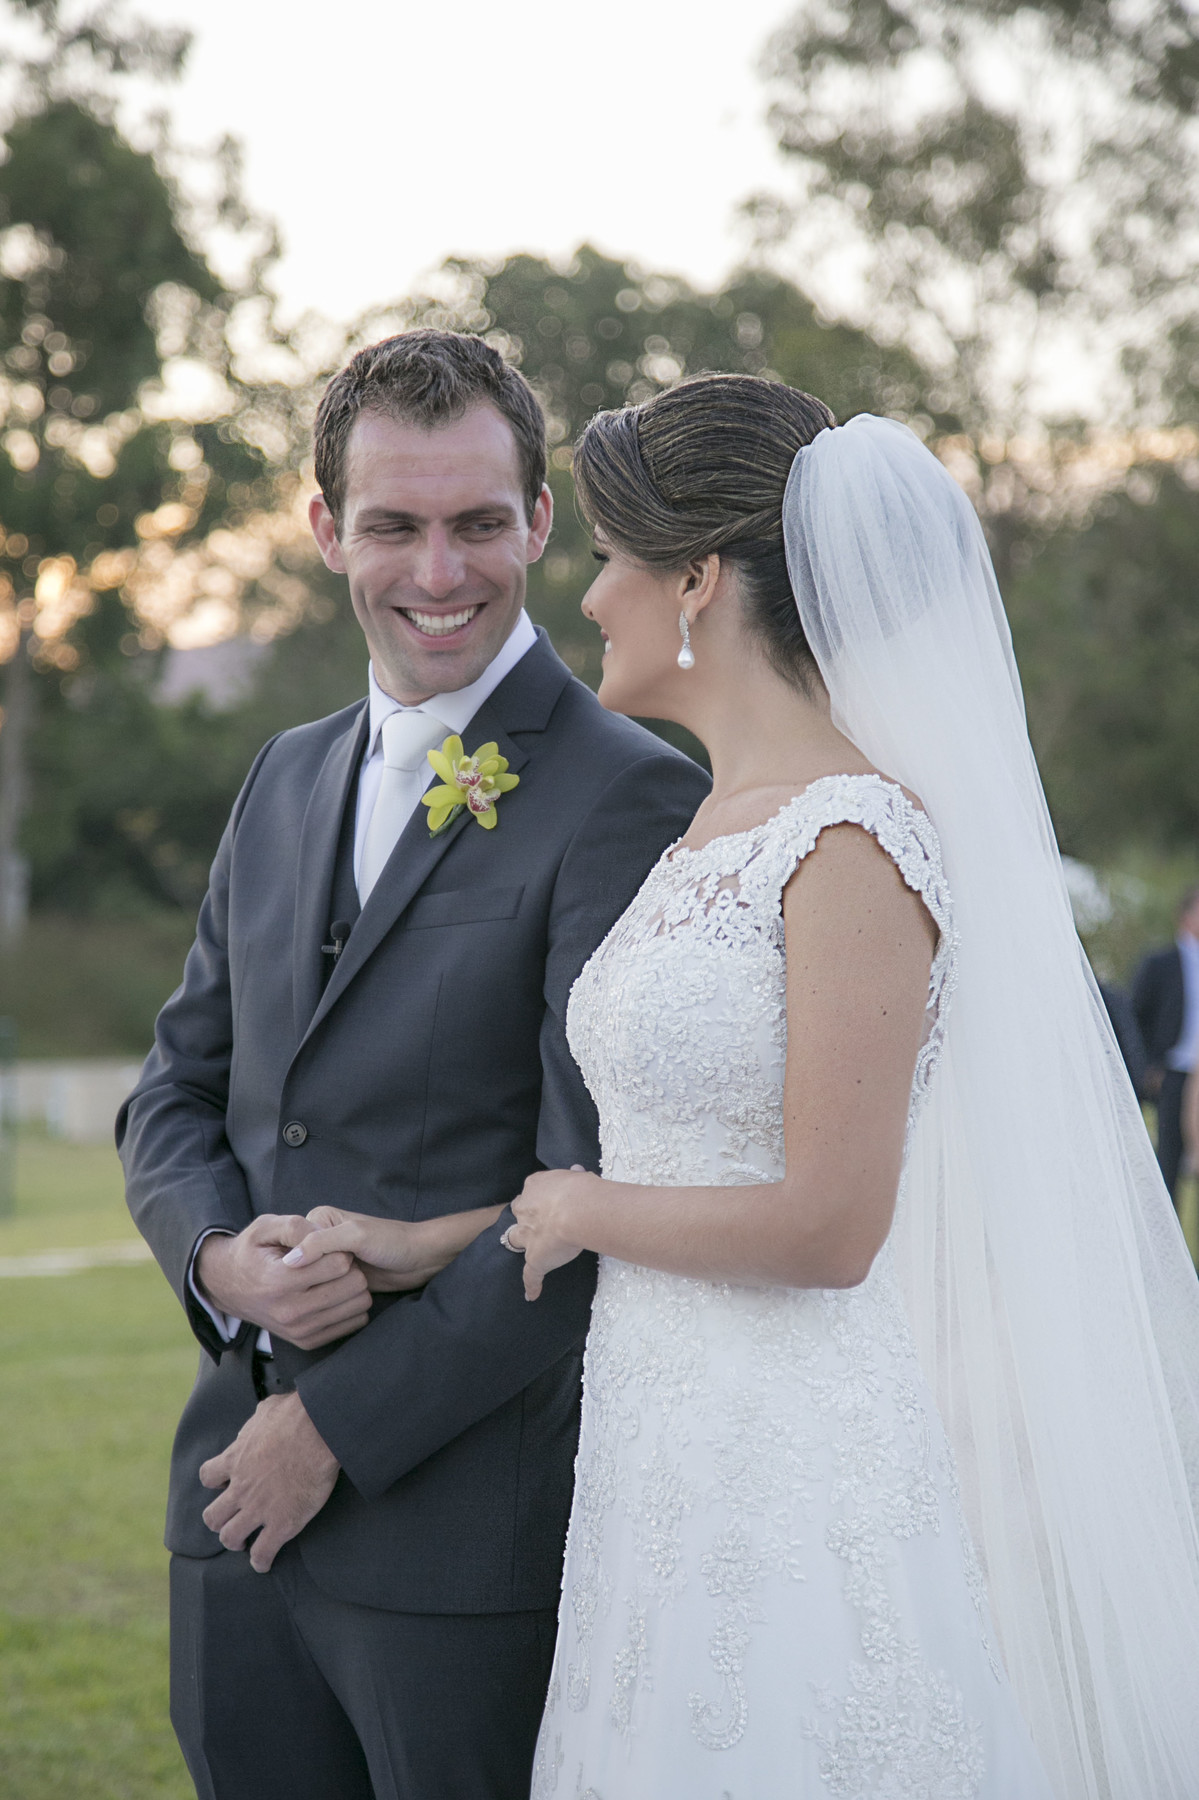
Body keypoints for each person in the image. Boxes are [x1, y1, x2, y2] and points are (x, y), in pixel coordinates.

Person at [291, 375, 1199, 1796]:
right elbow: (673, 1158)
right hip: (659, 1454)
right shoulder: (710, 821)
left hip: (789, 1462)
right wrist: (437, 1239)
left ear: (697, 582)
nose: (587, 597)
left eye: (606, 557)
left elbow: (828, 1227)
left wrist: (585, 1209)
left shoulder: (850, 839)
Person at [117, 330, 709, 1800]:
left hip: (460, 1537)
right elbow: (174, 1092)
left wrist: (333, 1427)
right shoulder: (281, 776)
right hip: (226, 1505)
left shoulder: (630, 792)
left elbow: (604, 1194)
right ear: (326, 530)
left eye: (473, 526)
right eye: (392, 525)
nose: (436, 573)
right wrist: (217, 1262)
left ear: (536, 526)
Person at [1133, 885, 1199, 1205]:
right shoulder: (1161, 963)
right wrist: (1150, 1065)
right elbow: (1139, 1014)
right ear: (1185, 916)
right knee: (1169, 1159)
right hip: (1174, 1071)